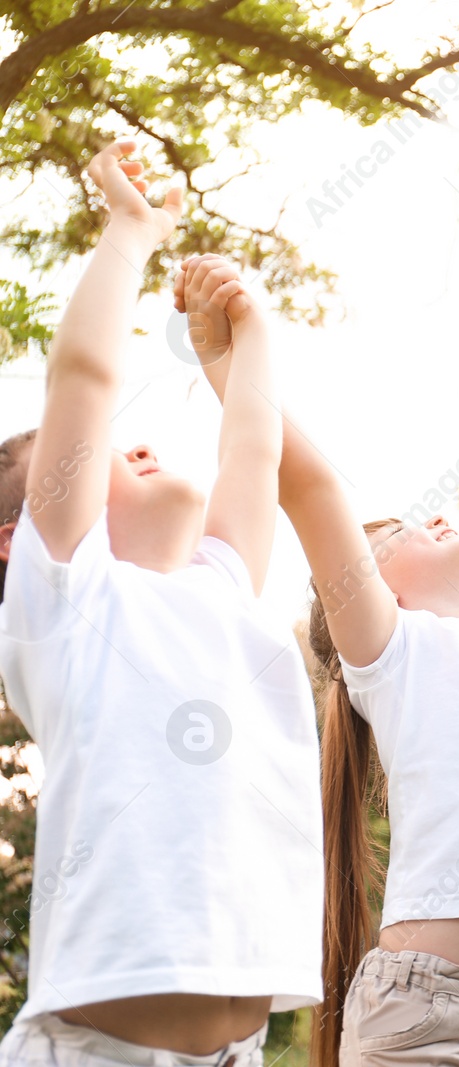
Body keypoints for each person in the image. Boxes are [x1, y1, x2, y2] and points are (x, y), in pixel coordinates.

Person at [173, 258, 459, 1066]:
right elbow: (309, 487)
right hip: (433, 1014)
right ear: (364, 586)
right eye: (399, 534)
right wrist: (229, 354)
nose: (438, 518)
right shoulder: (391, 652)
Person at [0, 141, 321, 1066]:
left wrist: (247, 334)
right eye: (97, 451)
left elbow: (254, 448)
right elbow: (82, 382)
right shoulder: (68, 599)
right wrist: (133, 232)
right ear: (21, 536)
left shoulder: (223, 589)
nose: (129, 442)